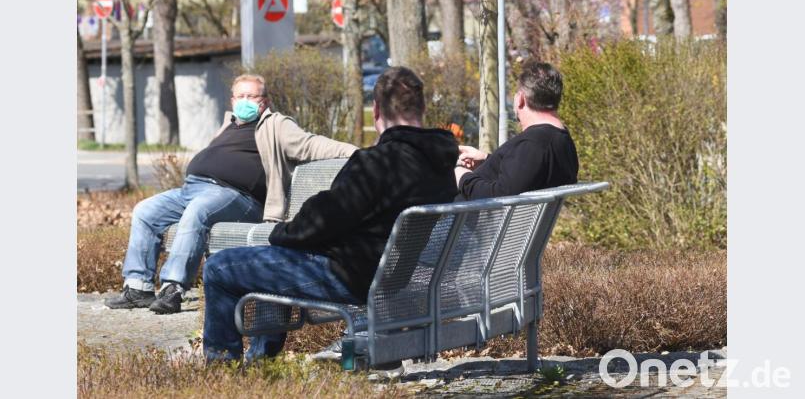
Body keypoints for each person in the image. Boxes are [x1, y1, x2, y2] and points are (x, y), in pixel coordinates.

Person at [201, 66, 459, 363]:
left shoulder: (376, 163)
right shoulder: (439, 165)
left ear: (375, 110)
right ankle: (260, 359)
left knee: (219, 268)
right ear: (423, 108)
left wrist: (281, 232)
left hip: (350, 275)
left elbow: (322, 221)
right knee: (278, 253)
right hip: (392, 275)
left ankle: (223, 367)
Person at [105, 74, 357, 314]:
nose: (246, 101)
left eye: (253, 96)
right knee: (145, 211)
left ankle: (173, 288)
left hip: (237, 196)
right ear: (233, 101)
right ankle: (138, 287)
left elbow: (311, 145)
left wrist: (358, 152)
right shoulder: (228, 123)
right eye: (241, 96)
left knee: (198, 211)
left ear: (265, 101)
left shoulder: (276, 125)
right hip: (192, 188)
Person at [455, 61, 579, 199]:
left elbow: (500, 197)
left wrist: (462, 176)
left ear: (520, 99)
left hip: (466, 218)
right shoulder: (561, 140)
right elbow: (522, 176)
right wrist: (487, 161)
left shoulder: (533, 144)